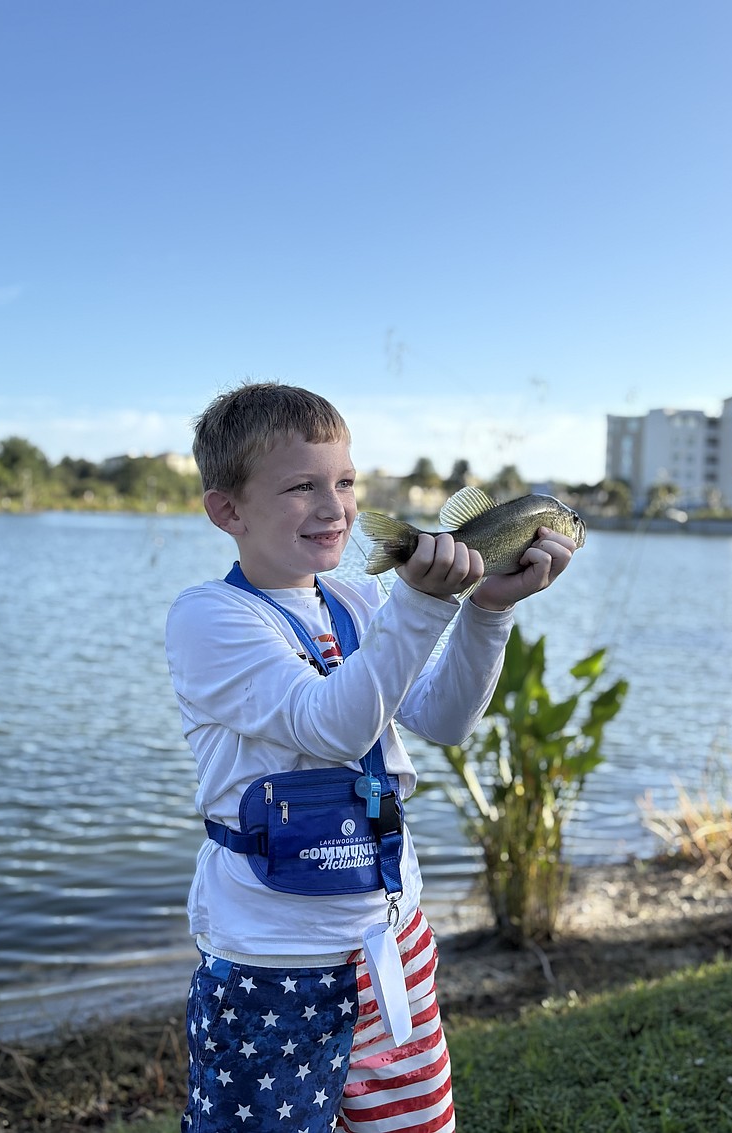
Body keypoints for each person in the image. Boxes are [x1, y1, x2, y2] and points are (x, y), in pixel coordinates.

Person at [165, 381, 577, 1133]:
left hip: (389, 937)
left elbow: (446, 719)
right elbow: (329, 727)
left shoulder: (360, 604)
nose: (335, 508)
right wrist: (423, 606)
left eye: (345, 481)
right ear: (228, 510)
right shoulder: (211, 616)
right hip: (273, 959)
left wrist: (489, 609)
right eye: (301, 486)